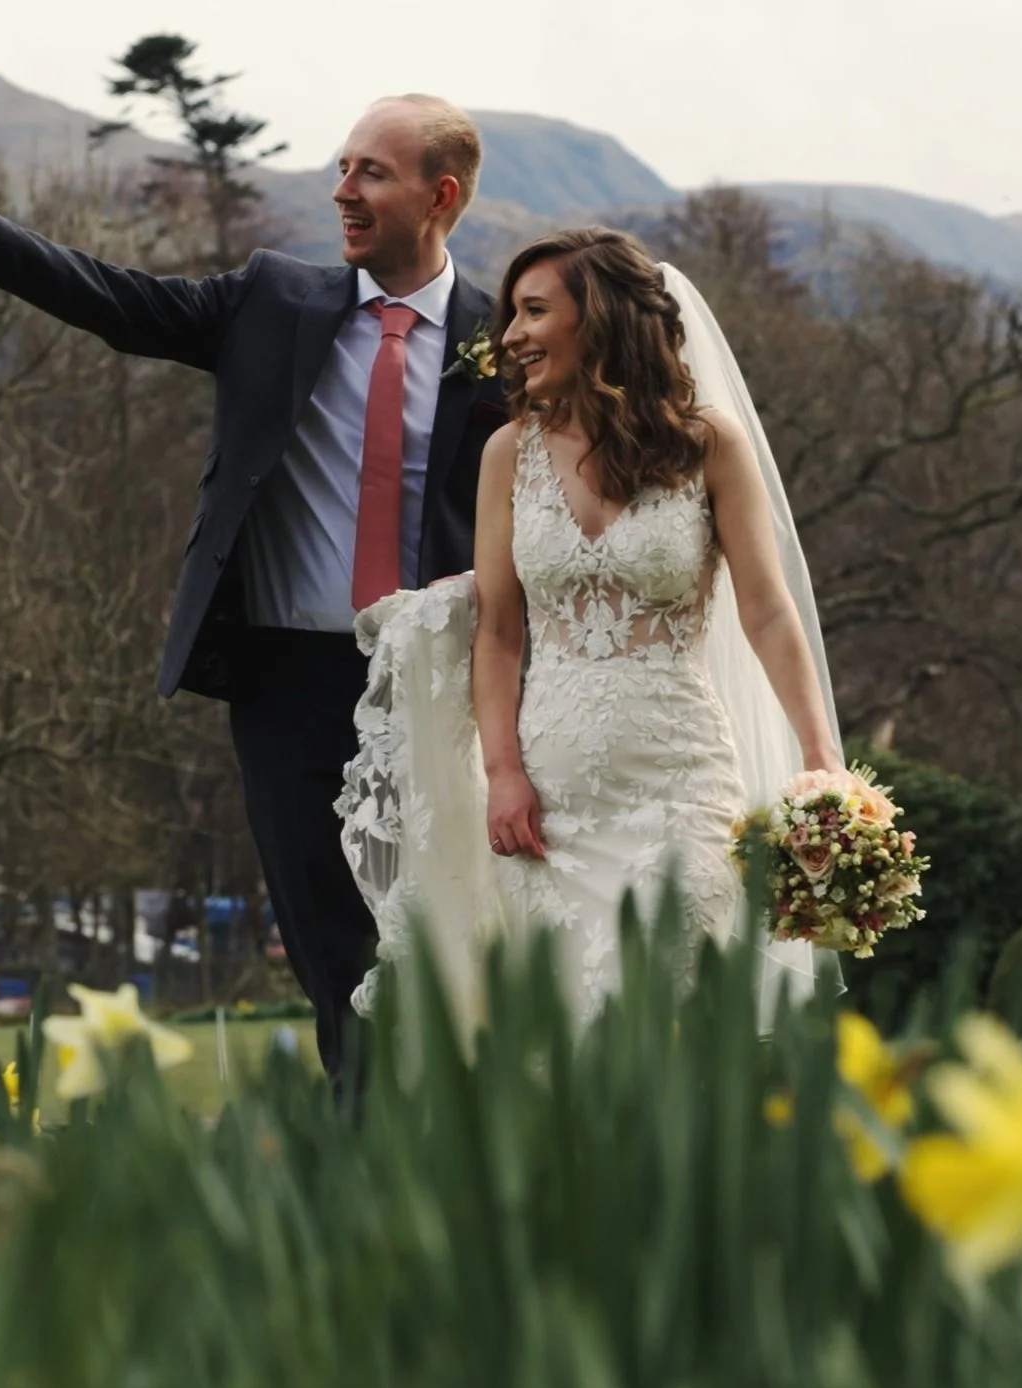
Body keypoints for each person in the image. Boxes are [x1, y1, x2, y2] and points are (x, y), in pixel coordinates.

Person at [0, 96, 508, 1097]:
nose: (343, 190)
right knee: (335, 950)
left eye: (371, 172)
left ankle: (457, 1149)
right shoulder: (273, 303)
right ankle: (365, 1167)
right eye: (341, 167)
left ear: (440, 194)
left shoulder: (500, 340)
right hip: (287, 679)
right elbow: (118, 303)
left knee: (445, 934)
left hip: (439, 685)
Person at [340, 227, 844, 1036]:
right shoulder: (510, 453)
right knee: (568, 1034)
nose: (509, 335)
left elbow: (768, 609)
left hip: (682, 782)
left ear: (601, 318)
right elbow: (500, 632)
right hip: (552, 797)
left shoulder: (709, 445)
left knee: (671, 1014)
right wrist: (502, 771)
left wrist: (821, 762)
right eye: (511, 314)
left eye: (534, 310)